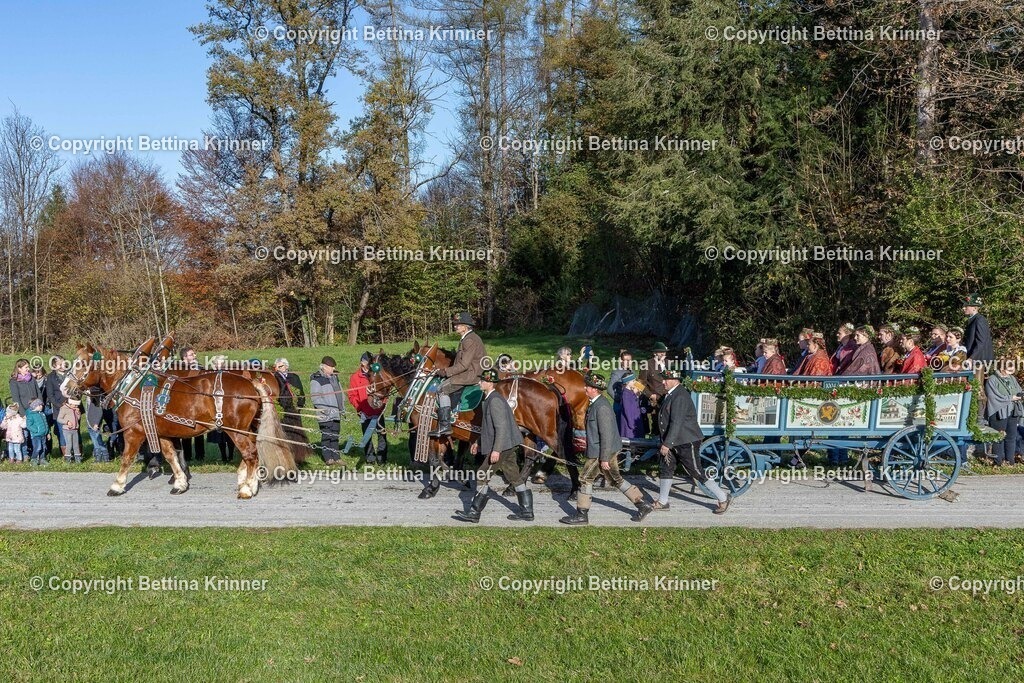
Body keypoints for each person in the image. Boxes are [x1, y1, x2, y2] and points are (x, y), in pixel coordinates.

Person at [560, 372, 653, 525]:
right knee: (616, 479)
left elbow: (607, 434)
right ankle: (643, 505)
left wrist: (604, 458)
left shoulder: (601, 407)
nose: (585, 388)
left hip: (601, 452)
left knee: (585, 479)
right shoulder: (596, 403)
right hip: (604, 450)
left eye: (588, 386)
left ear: (594, 389)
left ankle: (581, 515)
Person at [454, 369, 532, 523]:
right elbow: (488, 426)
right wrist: (478, 442)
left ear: (490, 383)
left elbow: (501, 428)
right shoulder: (490, 398)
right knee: (514, 476)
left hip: (502, 446)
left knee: (481, 475)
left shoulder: (494, 400)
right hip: (507, 444)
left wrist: (496, 450)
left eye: (482, 380)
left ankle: (474, 513)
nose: (479, 382)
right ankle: (527, 511)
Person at [652, 369, 731, 514]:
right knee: (666, 468)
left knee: (696, 471)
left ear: (675, 380)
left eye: (665, 379)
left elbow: (677, 422)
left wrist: (667, 444)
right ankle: (663, 502)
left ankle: (723, 497)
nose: (663, 382)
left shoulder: (680, 396)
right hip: (674, 440)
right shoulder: (673, 394)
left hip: (686, 441)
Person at [433, 312, 486, 436]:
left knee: (441, 389)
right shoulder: (468, 338)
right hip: (469, 373)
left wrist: (446, 371)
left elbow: (464, 365)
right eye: (455, 324)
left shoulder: (469, 340)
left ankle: (445, 425)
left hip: (470, 375)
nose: (455, 326)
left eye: (458, 324)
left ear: (466, 327)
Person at [347, 352, 388, 464]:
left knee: (382, 435)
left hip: (378, 411)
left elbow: (385, 391)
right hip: (364, 412)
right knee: (367, 436)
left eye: (368, 364)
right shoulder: (355, 377)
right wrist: (358, 407)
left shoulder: (376, 375)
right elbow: (352, 395)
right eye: (365, 364)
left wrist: (383, 403)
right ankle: (370, 458)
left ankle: (382, 458)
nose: (366, 366)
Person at [984, 359, 1023, 466]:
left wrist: (1020, 395)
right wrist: (1010, 398)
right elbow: (993, 396)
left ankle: (1010, 462)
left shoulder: (1012, 378)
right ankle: (998, 462)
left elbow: (1018, 389)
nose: (1011, 372)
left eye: (1012, 370)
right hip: (998, 412)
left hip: (1012, 411)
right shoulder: (992, 379)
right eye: (1009, 370)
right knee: (998, 438)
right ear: (1002, 368)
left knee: (1011, 437)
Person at [310, 356, 344, 465]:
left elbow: (340, 393)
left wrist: (342, 407)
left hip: (336, 413)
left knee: (335, 436)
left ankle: (336, 457)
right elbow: (315, 398)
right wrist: (325, 410)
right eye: (331, 367)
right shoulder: (316, 379)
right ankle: (328, 458)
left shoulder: (335, 378)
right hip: (325, 414)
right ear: (324, 367)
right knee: (326, 436)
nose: (333, 369)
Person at [274, 357, 309, 459]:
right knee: (285, 433)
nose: (278, 369)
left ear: (286, 366)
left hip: (294, 410)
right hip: (283, 411)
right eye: (276, 367)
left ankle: (298, 456)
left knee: (297, 434)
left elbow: (300, 392)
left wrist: (299, 405)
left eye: (280, 366)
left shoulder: (294, 377)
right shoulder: (275, 378)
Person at [9, 358, 40, 459]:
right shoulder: (14, 381)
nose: (28, 369)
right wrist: (23, 413)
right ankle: (25, 454)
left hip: (35, 409)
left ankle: (36, 453)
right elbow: (16, 399)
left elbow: (38, 392)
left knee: (35, 433)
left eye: (28, 367)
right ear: (19, 368)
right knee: (25, 434)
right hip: (24, 411)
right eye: (26, 367)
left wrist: (39, 405)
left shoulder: (32, 379)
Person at [177, 347, 204, 462]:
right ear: (184, 358)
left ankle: (200, 456)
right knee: (186, 428)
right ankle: (187, 456)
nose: (195, 356)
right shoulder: (179, 370)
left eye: (194, 354)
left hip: (198, 401)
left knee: (200, 428)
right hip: (184, 402)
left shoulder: (200, 368)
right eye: (191, 354)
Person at [44, 356, 69, 459]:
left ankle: (77, 453)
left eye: (63, 363)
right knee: (62, 432)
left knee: (75, 430)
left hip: (72, 407)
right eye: (59, 364)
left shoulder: (71, 374)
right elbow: (50, 395)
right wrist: (59, 405)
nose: (62, 365)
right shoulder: (50, 377)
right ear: (54, 366)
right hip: (59, 409)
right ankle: (66, 455)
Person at [84, 387, 109, 463]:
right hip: (90, 424)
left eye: (89, 393)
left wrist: (96, 423)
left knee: (99, 442)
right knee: (95, 443)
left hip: (95, 425)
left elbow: (100, 414)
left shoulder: (97, 403)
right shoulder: (90, 402)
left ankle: (106, 458)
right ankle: (98, 458)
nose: (88, 394)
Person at [58, 397, 82, 463]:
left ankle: (78, 458)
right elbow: (59, 419)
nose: (76, 406)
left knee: (76, 444)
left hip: (75, 429)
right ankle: (67, 458)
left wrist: (78, 413)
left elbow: (78, 418)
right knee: (69, 444)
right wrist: (67, 422)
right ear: (70, 403)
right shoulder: (64, 409)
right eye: (75, 405)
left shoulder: (74, 409)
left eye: (77, 405)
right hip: (67, 430)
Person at [26, 399, 48, 466]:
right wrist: (36, 430)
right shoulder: (31, 415)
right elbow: (29, 425)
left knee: (43, 447)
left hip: (43, 434)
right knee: (38, 447)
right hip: (36, 435)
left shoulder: (42, 414)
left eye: (42, 405)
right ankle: (34, 459)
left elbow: (45, 424)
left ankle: (42, 459)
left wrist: (47, 432)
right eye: (39, 405)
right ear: (35, 406)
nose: (41, 406)